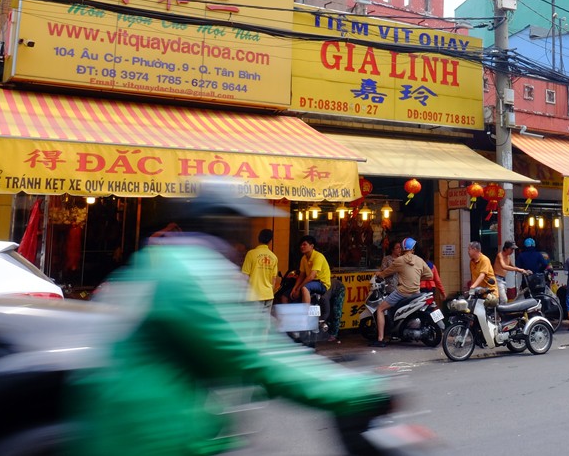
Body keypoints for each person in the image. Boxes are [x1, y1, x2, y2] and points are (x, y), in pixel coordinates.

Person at [61, 181, 393, 456]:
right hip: (146, 433)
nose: (239, 237)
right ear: (221, 224)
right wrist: (353, 390)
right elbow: (253, 357)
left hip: (144, 421)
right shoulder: (190, 270)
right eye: (237, 225)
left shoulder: (168, 260)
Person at [372, 237, 432, 347]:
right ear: (412, 249)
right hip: (416, 293)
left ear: (403, 249)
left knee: (380, 309)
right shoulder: (419, 260)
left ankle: (380, 339)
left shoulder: (399, 260)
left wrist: (378, 274)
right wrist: (418, 278)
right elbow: (430, 275)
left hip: (402, 293)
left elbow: (385, 273)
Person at [240, 229, 279, 317]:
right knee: (264, 323)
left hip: (254, 296)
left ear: (258, 238)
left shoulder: (251, 254)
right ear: (270, 241)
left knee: (253, 324)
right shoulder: (274, 257)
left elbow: (245, 276)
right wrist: (270, 291)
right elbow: (274, 279)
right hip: (268, 295)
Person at [494, 240, 531, 304]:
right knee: (504, 300)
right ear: (506, 248)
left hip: (503, 280)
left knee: (502, 300)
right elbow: (504, 266)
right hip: (497, 279)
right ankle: (501, 313)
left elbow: (512, 266)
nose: (512, 251)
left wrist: (523, 270)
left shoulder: (508, 256)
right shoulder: (500, 255)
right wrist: (518, 270)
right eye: (511, 249)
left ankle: (500, 313)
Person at [323, 277, 346, 344]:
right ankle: (329, 332)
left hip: (339, 289)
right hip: (330, 292)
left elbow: (326, 312)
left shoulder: (324, 296)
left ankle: (334, 334)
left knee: (336, 312)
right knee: (329, 313)